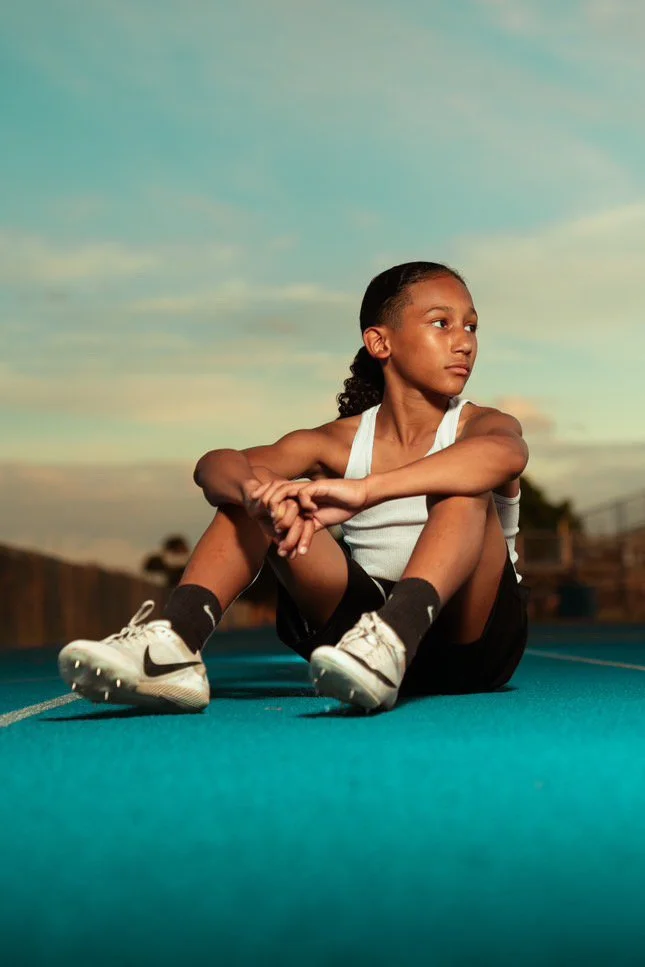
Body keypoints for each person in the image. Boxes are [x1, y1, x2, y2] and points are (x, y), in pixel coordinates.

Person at [58, 261, 529, 714]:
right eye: (441, 323)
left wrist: (366, 490)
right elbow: (214, 465)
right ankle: (174, 645)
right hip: (358, 642)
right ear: (380, 342)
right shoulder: (337, 440)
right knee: (261, 487)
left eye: (471, 327)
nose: (464, 343)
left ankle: (397, 633)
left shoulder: (482, 425)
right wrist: (253, 494)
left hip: (471, 640)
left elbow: (507, 456)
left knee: (465, 486)